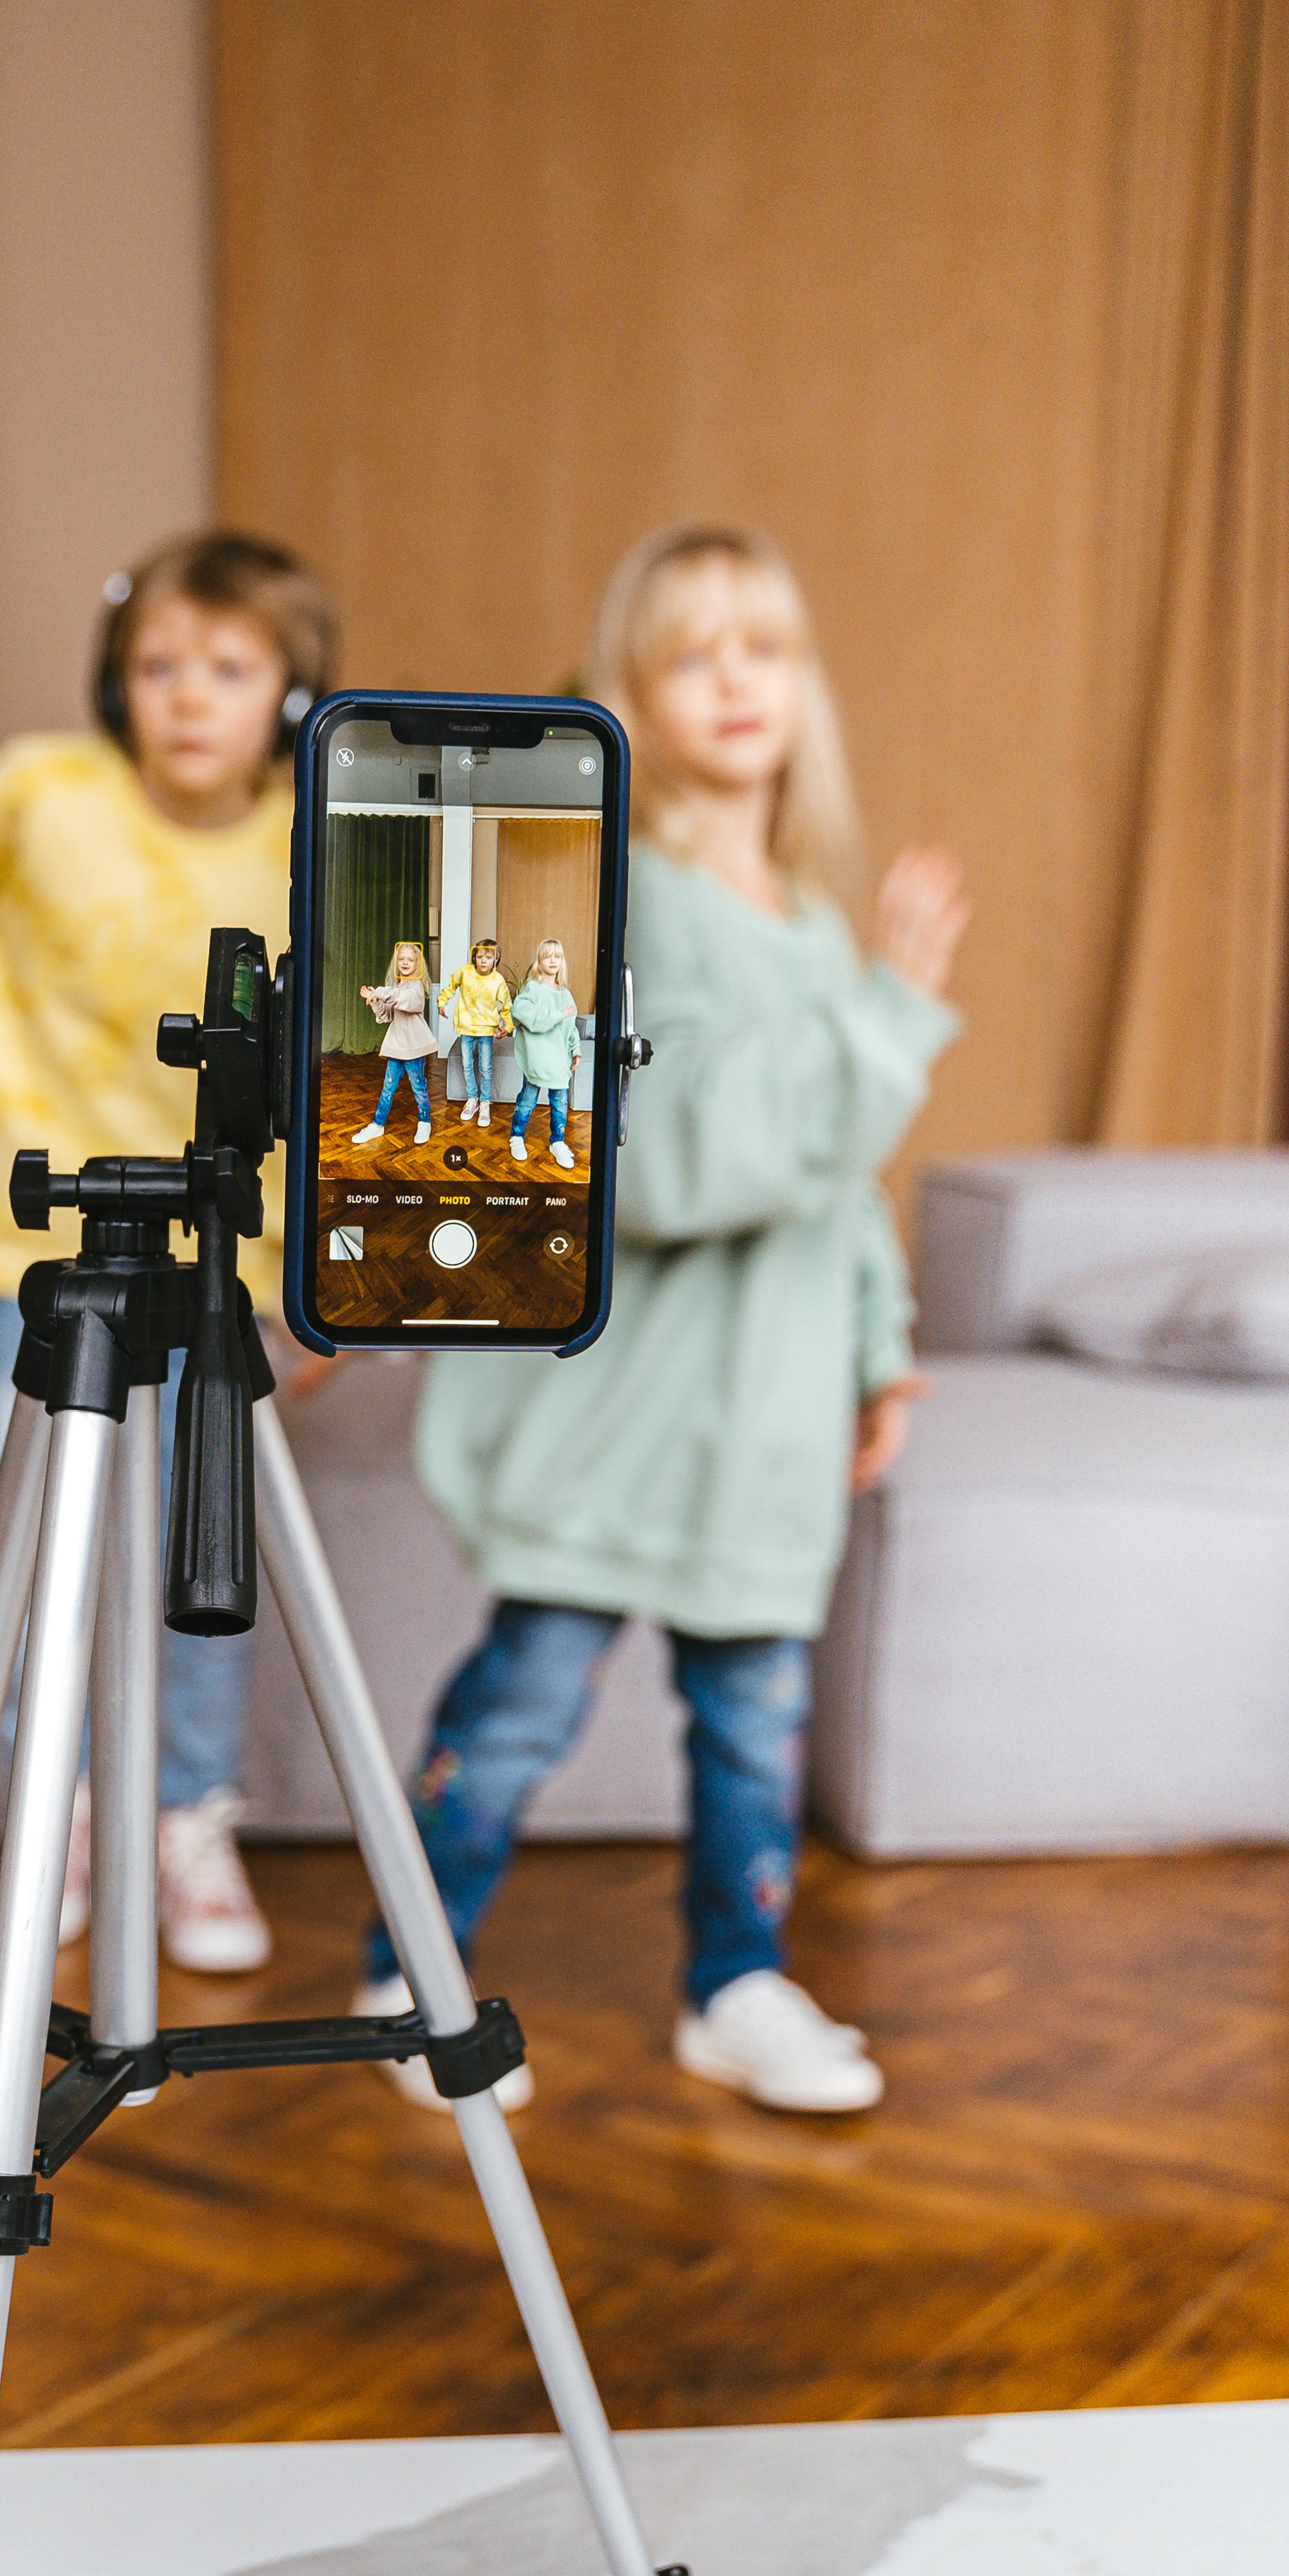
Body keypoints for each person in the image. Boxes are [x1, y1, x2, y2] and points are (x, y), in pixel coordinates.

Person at [355, 521, 968, 2117]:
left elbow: (837, 1182)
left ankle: (733, 1982)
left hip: (760, 1418)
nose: (732, 681)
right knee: (517, 1709)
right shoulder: (601, 903)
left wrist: (874, 1343)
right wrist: (892, 1017)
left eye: (760, 647)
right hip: (616, 1420)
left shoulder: (810, 925)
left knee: (755, 1728)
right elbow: (675, 1161)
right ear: (627, 685)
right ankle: (409, 1975)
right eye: (691, 651)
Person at [0, 529, 339, 1974]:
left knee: (198, 1543)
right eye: (157, 665)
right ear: (115, 683)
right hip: (35, 1251)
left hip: (225, 1256)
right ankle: (52, 1815)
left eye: (227, 671)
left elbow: (342, 1055)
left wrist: (315, 1287)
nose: (187, 698)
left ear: (290, 697)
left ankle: (180, 1816)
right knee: (34, 1540)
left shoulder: (313, 842)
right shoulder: (40, 795)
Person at [350, 938, 438, 1144]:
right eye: (401, 959)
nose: (406, 963)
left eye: (410, 959)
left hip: (414, 1049)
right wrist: (375, 1000)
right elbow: (387, 1016)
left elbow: (405, 1000)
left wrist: (379, 992)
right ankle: (377, 1125)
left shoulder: (416, 987)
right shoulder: (397, 986)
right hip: (397, 1047)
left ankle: (424, 1122)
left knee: (419, 1087)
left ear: (417, 964)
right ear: (396, 962)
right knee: (388, 1087)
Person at [507, 937, 581, 1165]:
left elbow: (571, 1027)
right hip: (538, 1059)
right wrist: (558, 1015)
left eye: (557, 956)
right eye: (548, 955)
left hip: (559, 1060)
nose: (552, 960)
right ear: (540, 960)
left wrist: (575, 1049)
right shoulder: (534, 989)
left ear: (562, 962)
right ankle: (517, 1136)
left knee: (559, 1102)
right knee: (528, 1099)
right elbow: (521, 1014)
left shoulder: (565, 994)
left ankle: (557, 1141)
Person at [442, 938, 515, 1122]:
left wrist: (508, 1025)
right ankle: (472, 1098)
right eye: (480, 956)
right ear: (474, 957)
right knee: (467, 1065)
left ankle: (485, 1102)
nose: (483, 960)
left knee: (486, 1067)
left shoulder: (498, 980)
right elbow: (450, 986)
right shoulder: (465, 973)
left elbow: (507, 1005)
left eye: (488, 957)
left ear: (496, 960)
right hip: (466, 1028)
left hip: (486, 1031)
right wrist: (442, 1001)